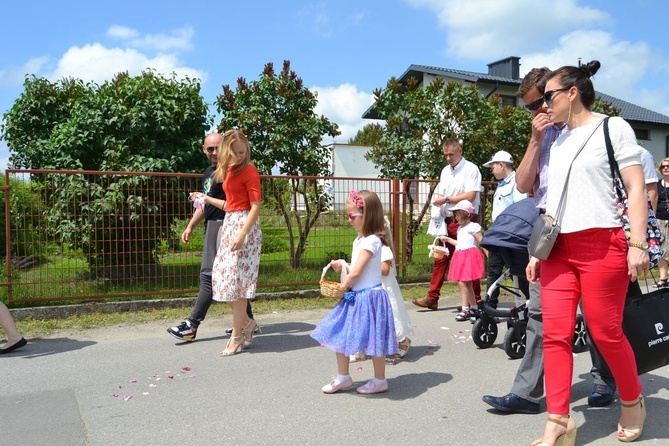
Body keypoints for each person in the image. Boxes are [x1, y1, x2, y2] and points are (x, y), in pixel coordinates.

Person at [528, 61, 647, 445]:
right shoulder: (556, 141)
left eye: (548, 96)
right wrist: (536, 252)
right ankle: (559, 420)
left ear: (572, 92)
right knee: (556, 335)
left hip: (603, 244)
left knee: (606, 331)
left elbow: (635, 189)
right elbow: (552, 201)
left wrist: (638, 244)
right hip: (558, 249)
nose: (543, 105)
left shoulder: (613, 128)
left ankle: (632, 401)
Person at [482, 67, 564, 416]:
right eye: (529, 107)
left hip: (588, 236)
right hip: (548, 235)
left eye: (539, 104)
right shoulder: (542, 136)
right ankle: (527, 394)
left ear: (556, 95)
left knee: (597, 319)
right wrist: (534, 140)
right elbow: (525, 187)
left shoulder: (591, 130)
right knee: (539, 315)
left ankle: (606, 380)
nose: (535, 112)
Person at [167, 132, 255, 342]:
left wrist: (240, 231)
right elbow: (205, 203)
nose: (214, 152)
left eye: (218, 148)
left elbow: (234, 205)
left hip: (226, 226)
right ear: (204, 150)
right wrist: (190, 226)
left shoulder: (229, 171)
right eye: (210, 149)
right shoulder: (209, 172)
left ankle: (192, 324)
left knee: (210, 276)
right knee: (226, 277)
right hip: (212, 226)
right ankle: (246, 321)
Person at [311, 190, 397, 394]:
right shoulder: (360, 240)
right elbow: (359, 267)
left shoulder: (371, 241)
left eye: (352, 216)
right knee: (339, 331)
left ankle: (379, 380)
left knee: (375, 340)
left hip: (368, 297)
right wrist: (344, 265)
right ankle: (343, 376)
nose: (349, 220)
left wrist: (344, 285)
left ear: (366, 216)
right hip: (358, 296)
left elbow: (358, 272)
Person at [205, 129, 262, 357]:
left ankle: (237, 335)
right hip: (230, 224)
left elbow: (255, 206)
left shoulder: (249, 170)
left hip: (245, 228)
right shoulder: (227, 171)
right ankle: (247, 324)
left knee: (237, 287)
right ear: (227, 151)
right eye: (236, 152)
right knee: (220, 280)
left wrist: (242, 234)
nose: (241, 155)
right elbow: (230, 204)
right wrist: (207, 199)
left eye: (243, 151)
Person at [412, 138, 482, 311]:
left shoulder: (471, 169)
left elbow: (471, 195)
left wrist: (448, 199)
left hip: (465, 220)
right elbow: (443, 194)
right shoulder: (445, 171)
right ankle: (432, 297)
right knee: (440, 257)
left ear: (460, 151)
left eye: (451, 154)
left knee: (467, 261)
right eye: (446, 155)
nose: (448, 158)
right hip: (448, 219)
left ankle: (477, 301)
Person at [482, 150, 528, 307]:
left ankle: (536, 305)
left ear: (501, 165)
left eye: (493, 166)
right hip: (498, 233)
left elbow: (520, 209)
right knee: (493, 271)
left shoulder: (517, 182)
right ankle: (490, 307)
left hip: (511, 235)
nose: (492, 170)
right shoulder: (501, 184)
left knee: (520, 274)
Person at [439, 200, 487, 321]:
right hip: (460, 255)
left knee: (463, 282)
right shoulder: (460, 228)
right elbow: (460, 243)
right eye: (455, 214)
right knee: (466, 283)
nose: (456, 217)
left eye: (458, 214)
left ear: (467, 214)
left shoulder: (473, 227)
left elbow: (482, 241)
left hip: (470, 256)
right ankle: (474, 307)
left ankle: (465, 308)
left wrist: (488, 254)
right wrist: (448, 240)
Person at [381, 217, 414, 359]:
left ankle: (403, 340)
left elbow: (385, 270)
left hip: (384, 286)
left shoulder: (383, 249)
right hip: (373, 286)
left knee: (391, 312)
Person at [653, 157, 669, 288]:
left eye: (668, 166)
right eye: (663, 166)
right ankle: (663, 278)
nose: (665, 168)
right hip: (660, 218)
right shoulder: (658, 184)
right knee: (661, 249)